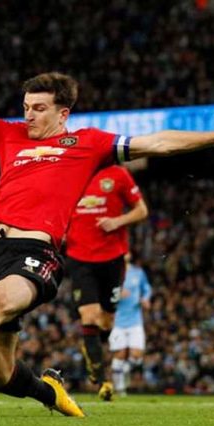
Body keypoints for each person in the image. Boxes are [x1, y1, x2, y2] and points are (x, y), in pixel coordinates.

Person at [0, 33, 214, 418]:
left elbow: (158, 142)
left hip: (36, 253)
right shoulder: (8, 135)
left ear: (63, 113)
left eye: (39, 108)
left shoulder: (88, 144)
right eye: (26, 107)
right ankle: (51, 392)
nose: (29, 115)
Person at [65, 165, 148, 401]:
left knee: (106, 320)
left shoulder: (117, 174)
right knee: (89, 316)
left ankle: (92, 345)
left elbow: (141, 210)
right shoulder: (69, 172)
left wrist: (117, 221)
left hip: (112, 258)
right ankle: (102, 380)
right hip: (79, 258)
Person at [108, 253, 151, 396]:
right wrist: (117, 294)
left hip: (135, 321)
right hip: (118, 321)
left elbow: (147, 288)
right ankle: (120, 389)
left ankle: (125, 370)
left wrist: (145, 299)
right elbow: (105, 293)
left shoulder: (138, 273)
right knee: (119, 355)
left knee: (137, 356)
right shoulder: (112, 274)